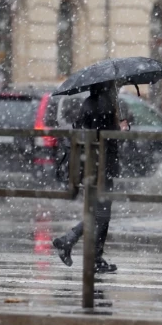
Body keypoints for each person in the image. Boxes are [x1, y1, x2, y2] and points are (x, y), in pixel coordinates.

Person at [52, 82, 129, 274]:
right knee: (101, 214)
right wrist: (121, 131)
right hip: (101, 165)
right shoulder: (104, 105)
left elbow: (84, 130)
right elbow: (105, 137)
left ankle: (91, 254)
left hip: (90, 164)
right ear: (107, 87)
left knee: (99, 212)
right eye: (115, 87)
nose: (117, 89)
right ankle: (70, 242)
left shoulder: (89, 102)